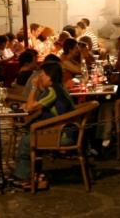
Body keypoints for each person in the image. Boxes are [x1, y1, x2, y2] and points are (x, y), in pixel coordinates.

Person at [14, 60, 75, 189]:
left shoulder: (52, 91)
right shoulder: (59, 88)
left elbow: (30, 107)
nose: (40, 78)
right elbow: (39, 102)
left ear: (49, 76)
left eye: (42, 75)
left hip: (62, 135)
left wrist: (34, 87)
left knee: (26, 141)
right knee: (28, 133)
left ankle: (25, 177)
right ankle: (36, 175)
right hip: (67, 130)